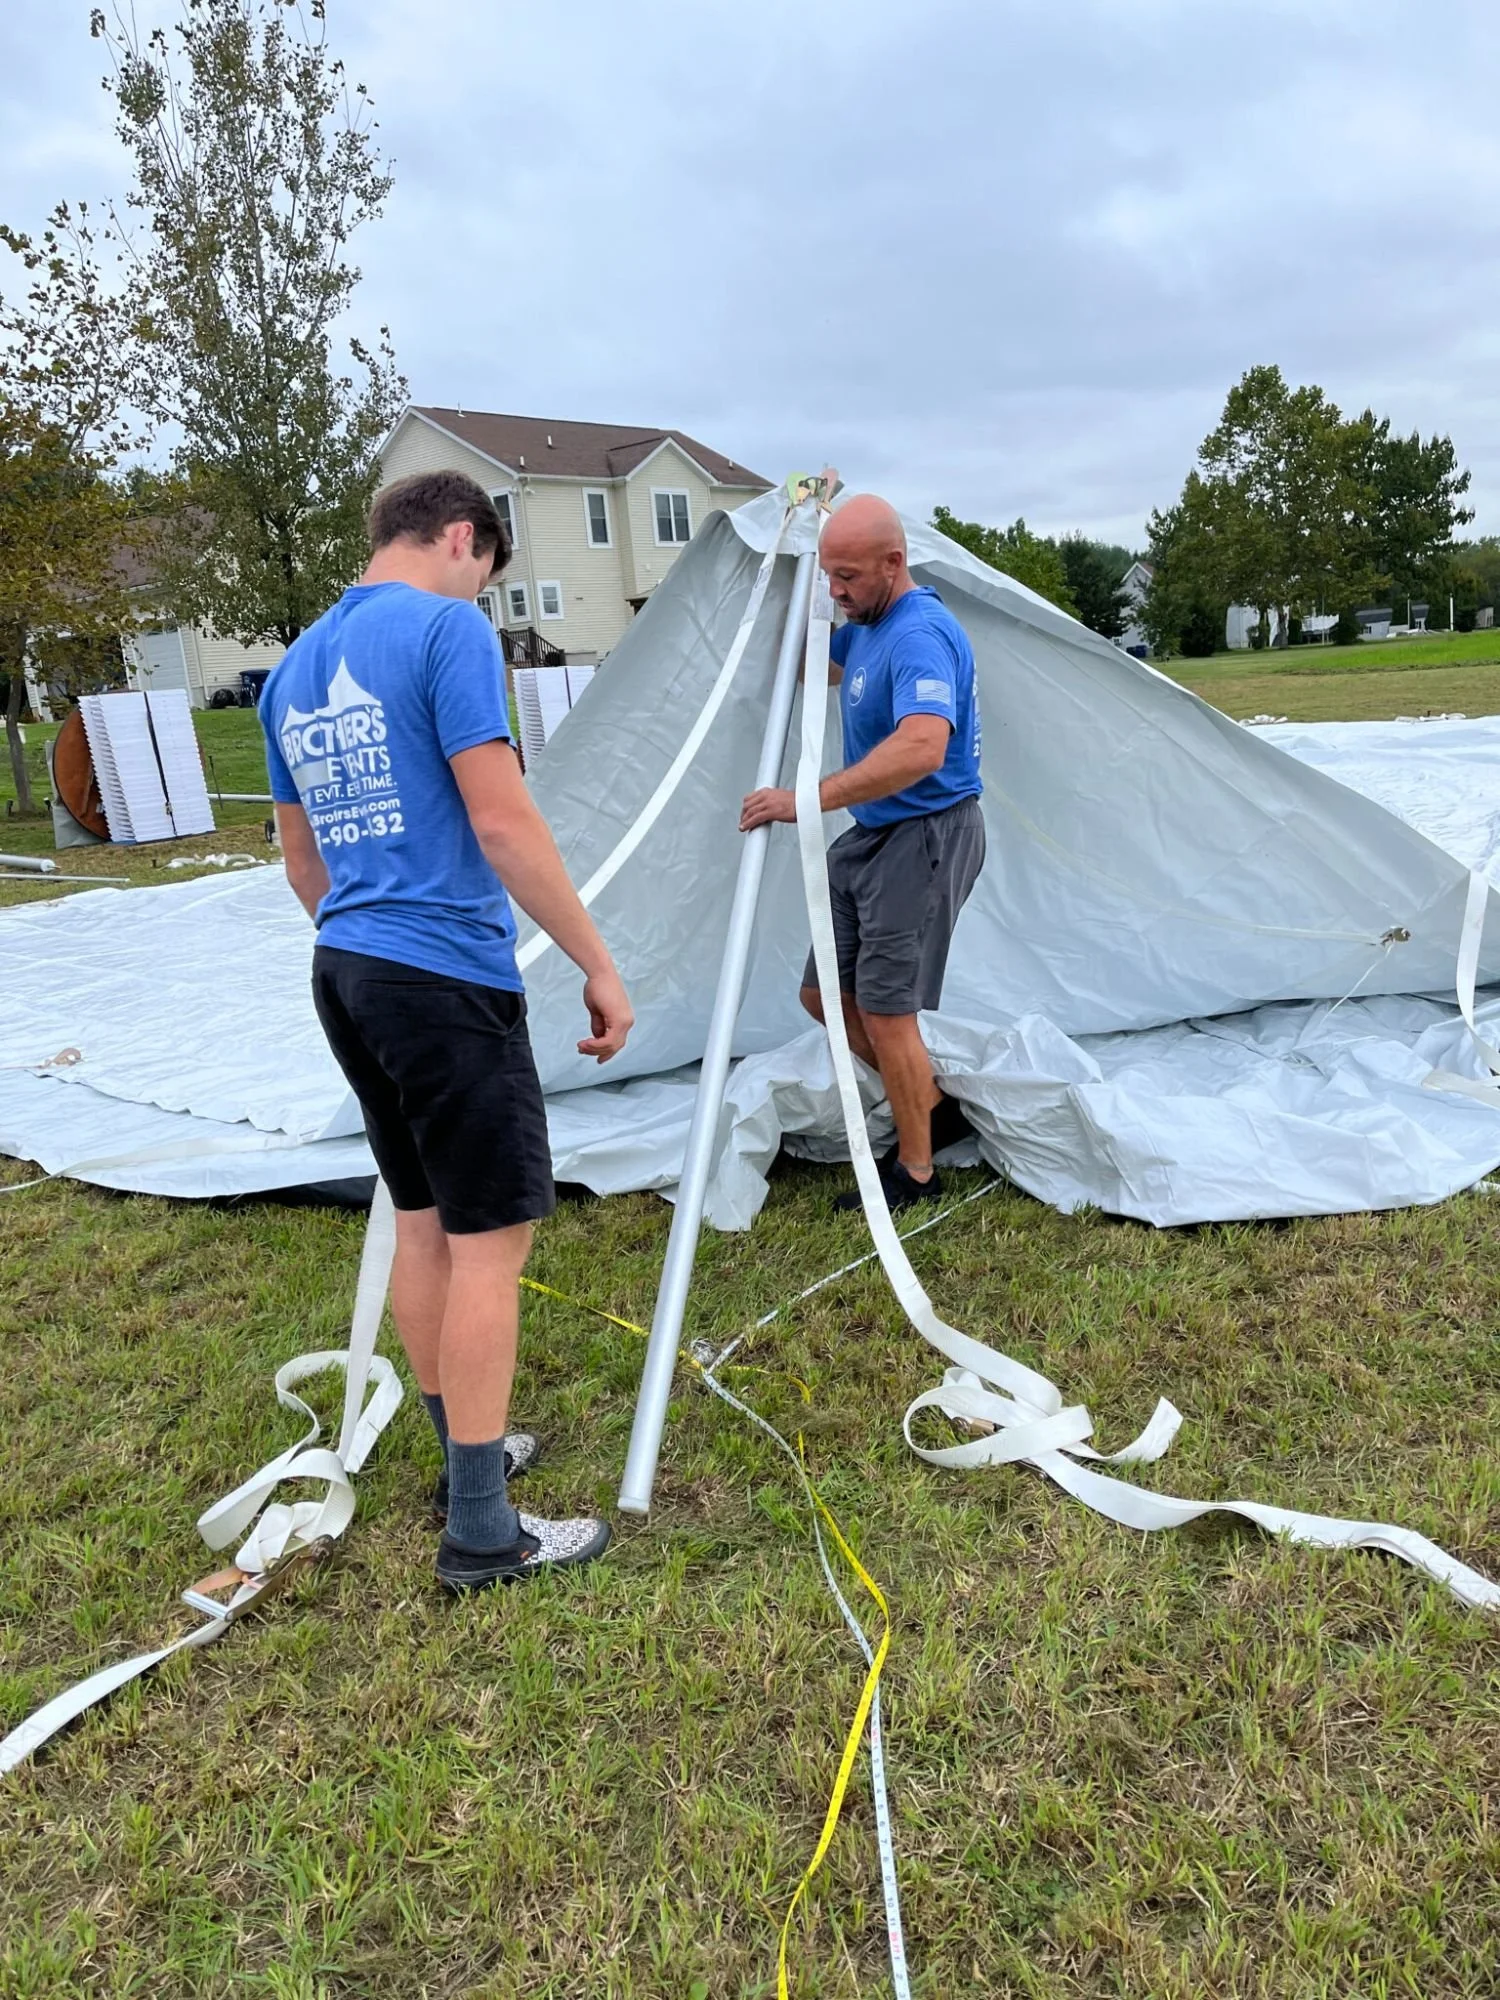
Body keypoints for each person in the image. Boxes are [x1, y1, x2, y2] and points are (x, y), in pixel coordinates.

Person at [261, 470, 634, 1593]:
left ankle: (461, 1457)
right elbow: (502, 817)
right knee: (488, 1244)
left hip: (348, 969)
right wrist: (597, 961)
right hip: (442, 983)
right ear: (465, 540)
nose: (485, 591)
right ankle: (483, 1527)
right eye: (488, 572)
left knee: (422, 1220)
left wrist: (373, 938)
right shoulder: (449, 635)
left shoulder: (290, 669)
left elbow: (301, 863)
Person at [739, 493, 984, 1212]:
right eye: (828, 576)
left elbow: (922, 745)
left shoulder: (918, 634)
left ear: (894, 564)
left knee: (885, 1012)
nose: (835, 592)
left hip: (927, 834)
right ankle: (932, 1108)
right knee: (824, 996)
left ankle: (916, 1172)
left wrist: (804, 799)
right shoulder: (866, 627)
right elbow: (813, 660)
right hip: (874, 836)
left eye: (847, 576)